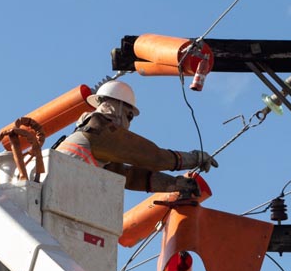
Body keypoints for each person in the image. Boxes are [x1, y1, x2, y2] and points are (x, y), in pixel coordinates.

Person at [56, 81, 217, 195]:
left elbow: (128, 176)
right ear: (118, 109)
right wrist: (194, 158)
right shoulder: (101, 131)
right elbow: (154, 157)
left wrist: (174, 183)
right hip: (59, 194)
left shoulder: (90, 136)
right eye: (129, 116)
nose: (129, 123)